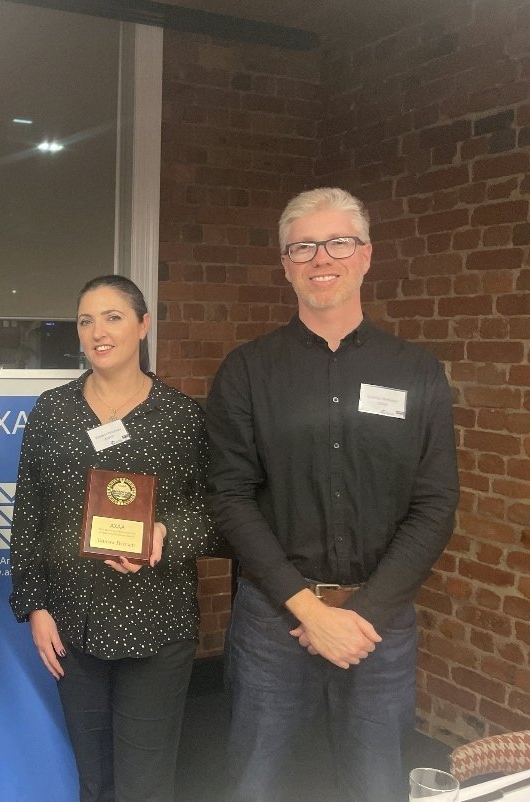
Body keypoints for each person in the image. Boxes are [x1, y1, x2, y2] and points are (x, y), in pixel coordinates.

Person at [206, 187, 460, 802]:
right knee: (255, 785)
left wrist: (362, 617)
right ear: (286, 264)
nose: (323, 258)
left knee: (376, 785)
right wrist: (310, 611)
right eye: (304, 247)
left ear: (367, 255)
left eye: (339, 242)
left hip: (382, 624)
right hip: (274, 620)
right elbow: (230, 497)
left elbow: (436, 503)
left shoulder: (417, 372)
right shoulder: (247, 371)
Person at [9, 275, 213, 802]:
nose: (98, 331)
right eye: (85, 320)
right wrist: (36, 607)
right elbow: (28, 516)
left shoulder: (183, 418)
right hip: (73, 627)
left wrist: (168, 532)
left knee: (145, 785)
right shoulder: (52, 413)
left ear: (143, 326)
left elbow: (218, 513)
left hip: (158, 624)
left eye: (113, 317)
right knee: (94, 780)